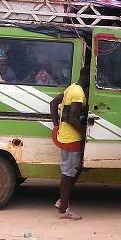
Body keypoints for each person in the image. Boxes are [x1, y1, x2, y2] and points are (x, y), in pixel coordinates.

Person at [49, 67, 90, 220]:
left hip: (65, 135)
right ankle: (63, 210)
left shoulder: (71, 88)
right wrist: (85, 135)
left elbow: (53, 103)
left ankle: (62, 201)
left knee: (74, 170)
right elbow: (73, 118)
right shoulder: (78, 93)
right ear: (87, 78)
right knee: (68, 174)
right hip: (72, 139)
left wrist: (56, 126)